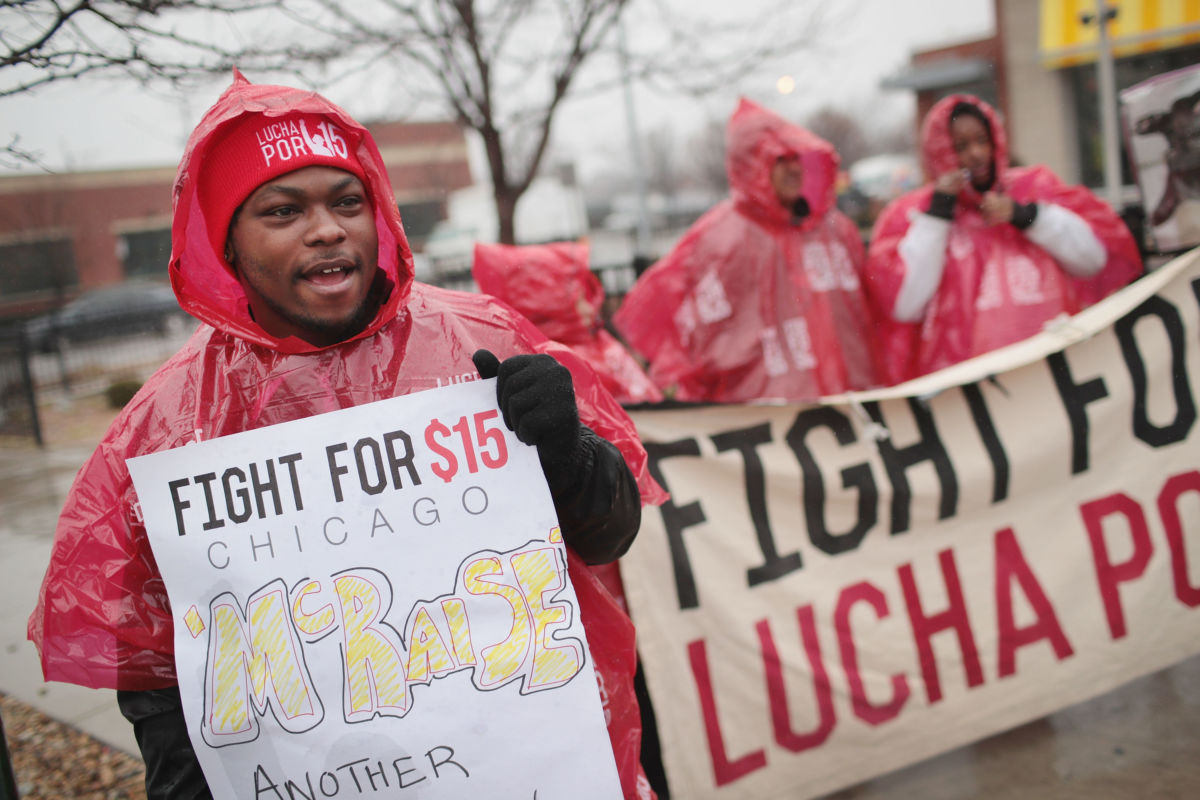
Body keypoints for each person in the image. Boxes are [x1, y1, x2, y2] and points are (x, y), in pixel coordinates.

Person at [26, 71, 666, 800]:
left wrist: (568, 454)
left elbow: (610, 535)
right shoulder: (166, 429)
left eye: (347, 202)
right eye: (282, 210)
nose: (327, 228)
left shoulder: (484, 340)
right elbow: (157, 674)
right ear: (228, 244)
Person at [613, 98, 880, 403]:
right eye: (779, 159)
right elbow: (680, 325)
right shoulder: (720, 239)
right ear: (753, 165)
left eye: (797, 156)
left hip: (856, 403)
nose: (793, 168)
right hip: (770, 417)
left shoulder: (835, 229)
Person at [865, 94, 1143, 384]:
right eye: (961, 146)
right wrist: (938, 215)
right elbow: (905, 304)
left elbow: (1092, 259)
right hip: (965, 384)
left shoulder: (1033, 188)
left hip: (1050, 369)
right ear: (941, 153)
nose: (976, 154)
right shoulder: (913, 214)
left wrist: (1027, 216)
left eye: (982, 140)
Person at [472, 240, 663, 406]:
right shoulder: (567, 361)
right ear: (549, 306)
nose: (590, 309)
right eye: (578, 301)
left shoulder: (595, 345)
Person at [1135, 86, 1200, 232]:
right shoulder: (1178, 117)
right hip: (1183, 170)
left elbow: (1141, 128)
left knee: (1165, 208)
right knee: (1166, 207)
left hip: (1183, 171)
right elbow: (1141, 128)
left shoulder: (1177, 117)